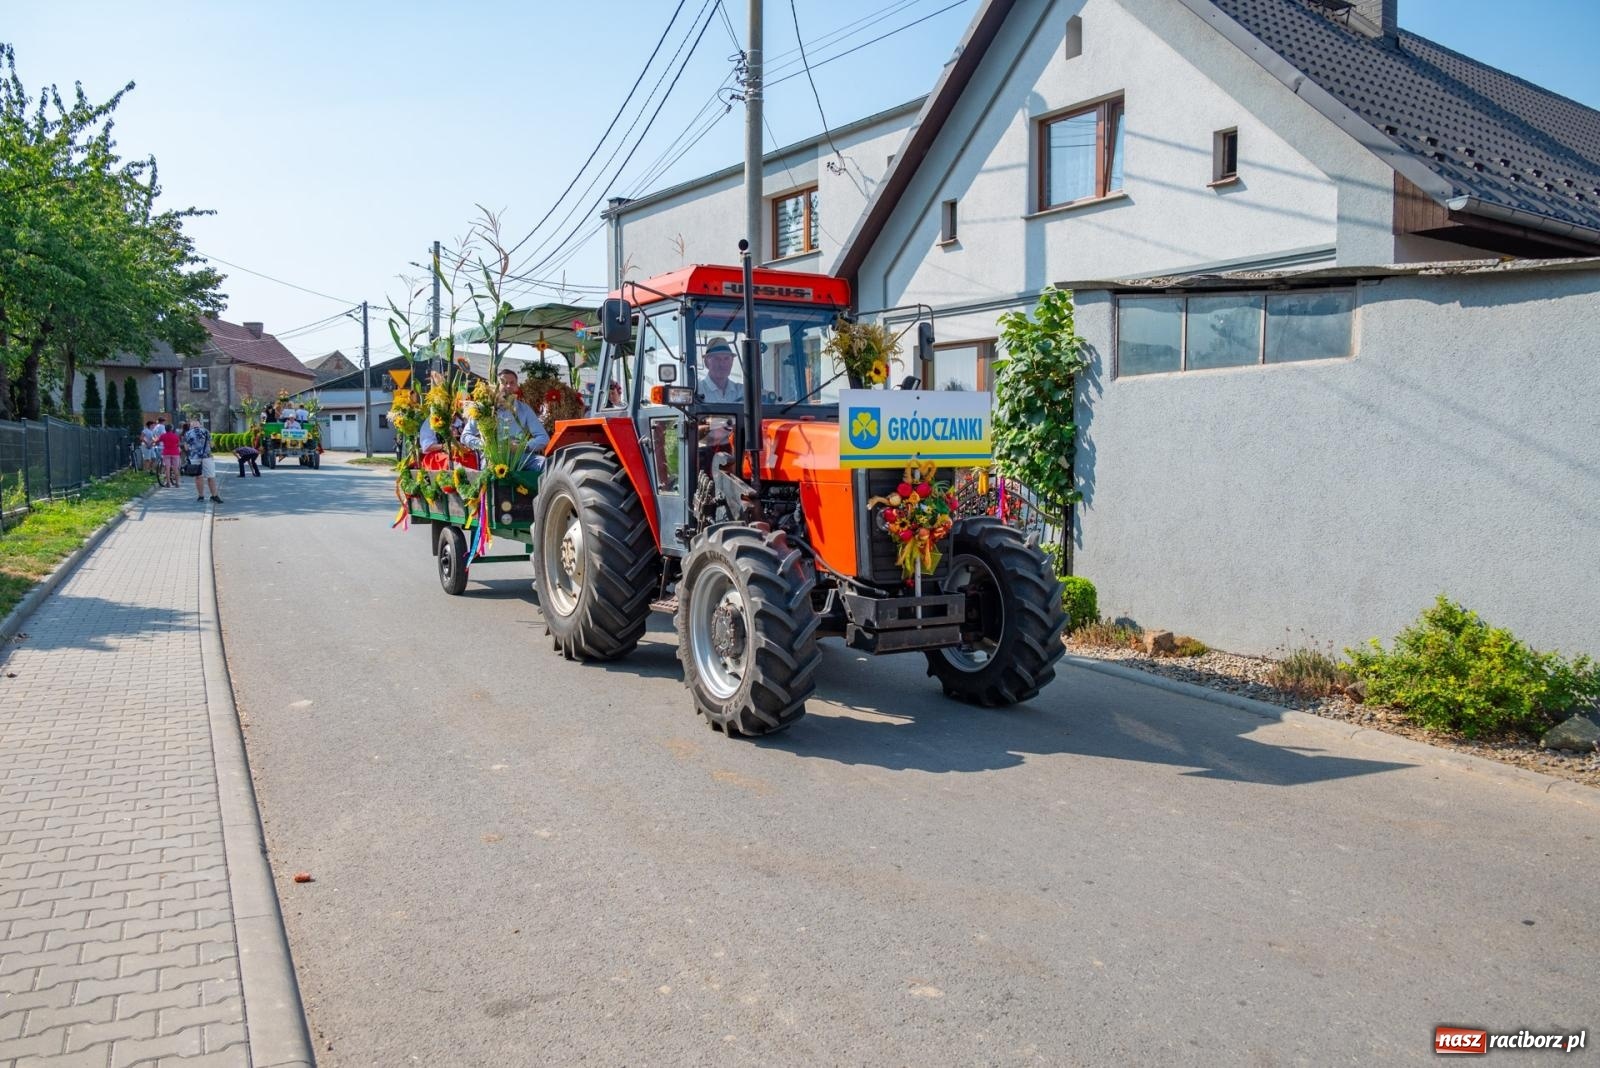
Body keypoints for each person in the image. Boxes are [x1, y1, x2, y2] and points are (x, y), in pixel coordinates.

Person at [462, 368, 549, 470]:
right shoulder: (483, 407)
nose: (508, 386)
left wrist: (523, 447)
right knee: (489, 474)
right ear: (496, 386)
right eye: (504, 382)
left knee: (546, 464)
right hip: (492, 458)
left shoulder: (524, 409)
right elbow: (465, 436)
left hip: (519, 457)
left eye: (512, 383)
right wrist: (485, 445)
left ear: (517, 386)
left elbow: (543, 437)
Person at [183, 421, 223, 504]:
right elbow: (212, 445)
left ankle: (201, 496)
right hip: (207, 456)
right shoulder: (206, 431)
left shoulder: (188, 433)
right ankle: (214, 496)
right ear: (200, 425)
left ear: (191, 426)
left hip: (194, 457)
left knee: (198, 477)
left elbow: (186, 448)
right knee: (211, 477)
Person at [158, 420, 183, 488]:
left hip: (166, 453)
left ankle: (168, 483)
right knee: (176, 468)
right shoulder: (175, 436)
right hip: (175, 453)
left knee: (167, 468)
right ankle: (177, 483)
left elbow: (158, 441)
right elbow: (178, 444)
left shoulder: (163, 435)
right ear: (172, 429)